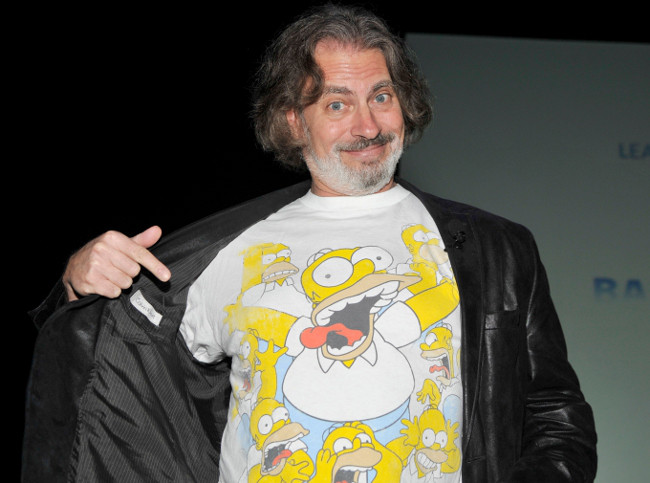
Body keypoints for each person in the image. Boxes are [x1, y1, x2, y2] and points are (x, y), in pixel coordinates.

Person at [23, 4, 597, 482]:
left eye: (381, 96)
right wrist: (79, 286)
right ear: (294, 121)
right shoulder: (223, 253)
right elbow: (106, 381)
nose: (368, 126)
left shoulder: (496, 249)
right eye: (338, 104)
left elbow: (556, 417)